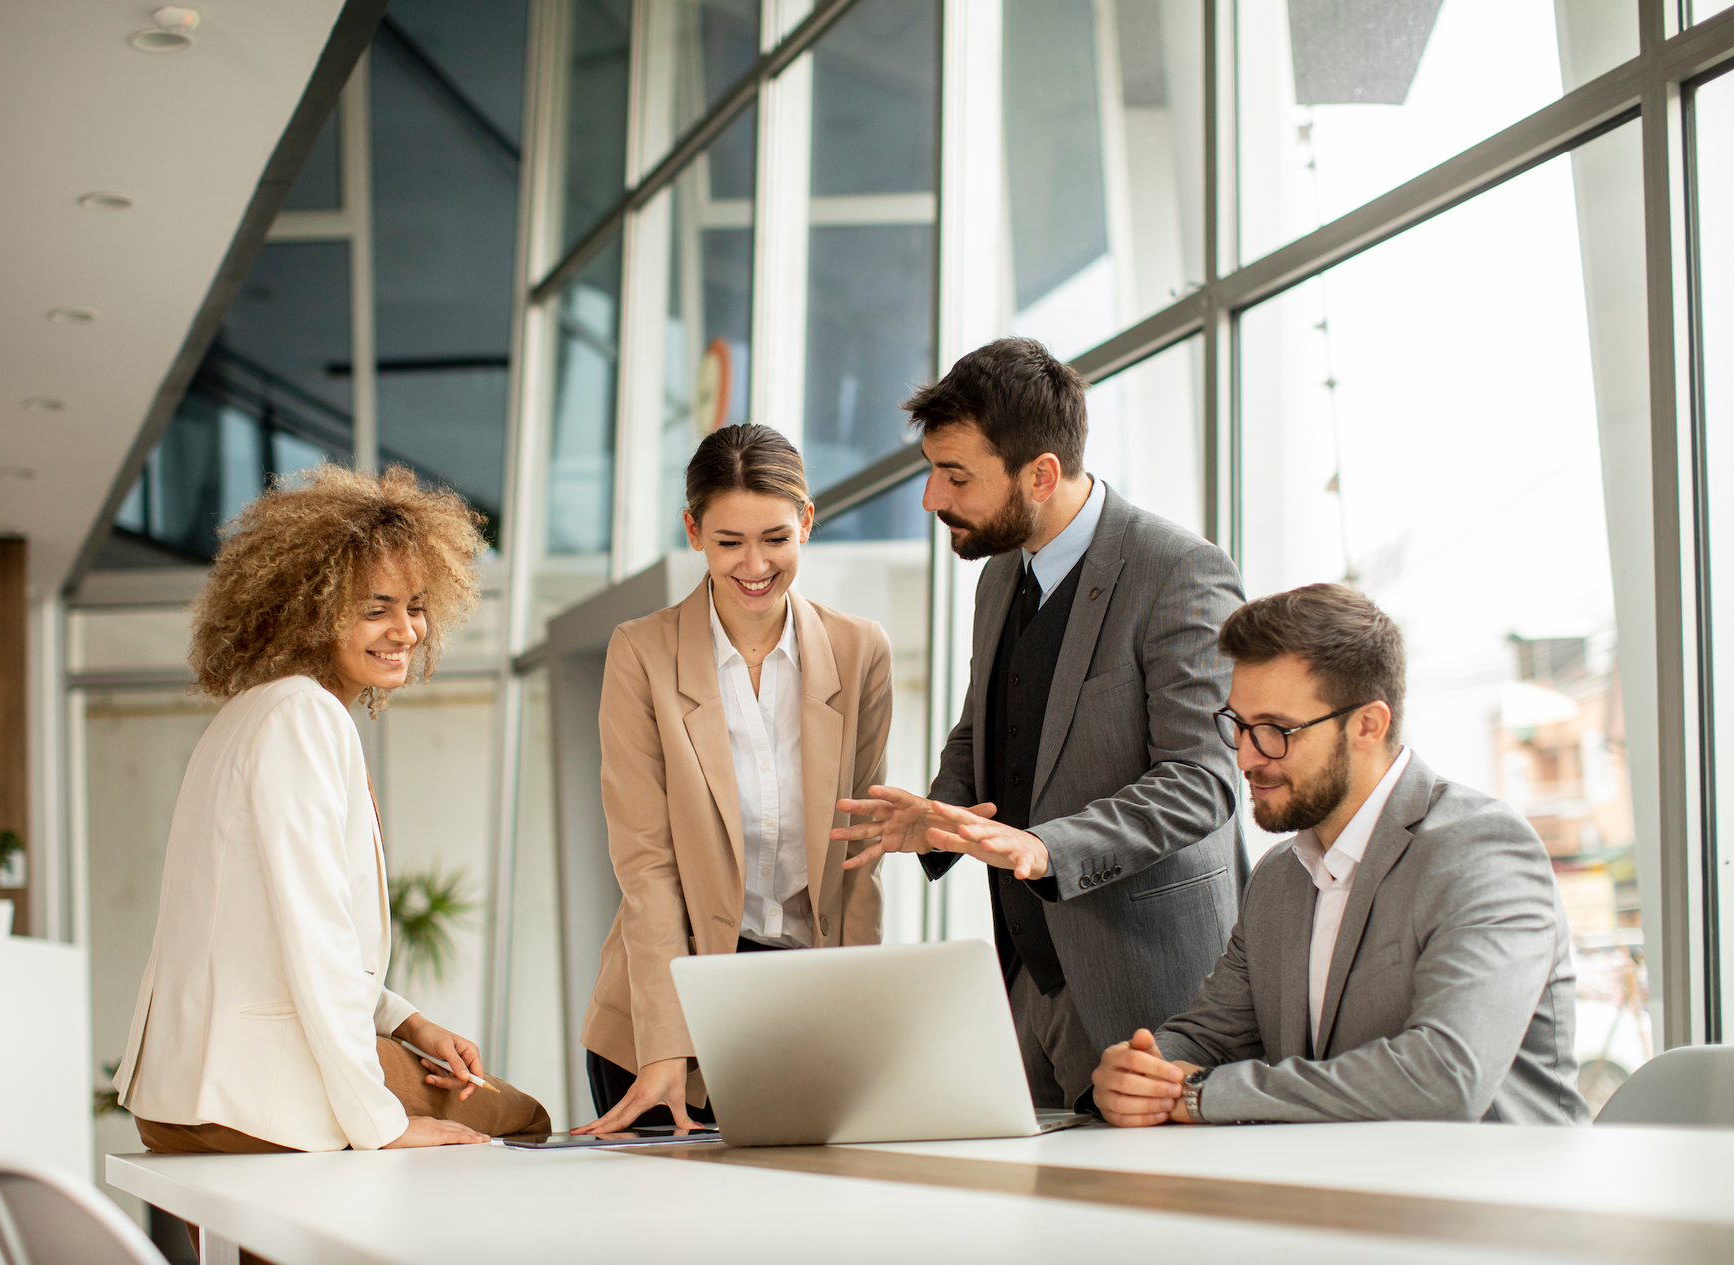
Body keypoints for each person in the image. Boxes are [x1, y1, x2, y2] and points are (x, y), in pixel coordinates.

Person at [834, 337, 1245, 1111]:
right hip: (1028, 979)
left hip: (1152, 991)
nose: (931, 498)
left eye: (955, 476)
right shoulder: (999, 576)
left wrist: (1045, 845)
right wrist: (939, 810)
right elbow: (984, 722)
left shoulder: (1178, 571)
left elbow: (1204, 780)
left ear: (1042, 473)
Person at [115, 465, 551, 1153]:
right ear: (309, 607)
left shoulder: (251, 713)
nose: (405, 630)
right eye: (375, 608)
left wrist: (407, 1023)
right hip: (254, 1093)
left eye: (415, 605)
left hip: (183, 1093)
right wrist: (384, 1124)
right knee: (520, 1117)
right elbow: (314, 937)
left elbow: (270, 933)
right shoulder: (303, 717)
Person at [1091, 584, 1587, 1127]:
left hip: (1495, 1197)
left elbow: (1446, 1078)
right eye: (1238, 726)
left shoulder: (1483, 851)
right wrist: (1141, 1072)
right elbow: (1209, 1034)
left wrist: (1199, 1095)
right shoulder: (1280, 876)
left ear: (1368, 725)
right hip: (1334, 1192)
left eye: (1277, 730)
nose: (1249, 758)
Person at [576, 424, 893, 1133]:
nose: (756, 564)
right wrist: (666, 1045)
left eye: (776, 538)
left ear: (807, 521)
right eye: (729, 542)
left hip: (803, 1005)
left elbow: (859, 856)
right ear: (693, 531)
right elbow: (647, 866)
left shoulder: (860, 649)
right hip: (667, 1011)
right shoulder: (642, 654)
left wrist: (861, 1024)